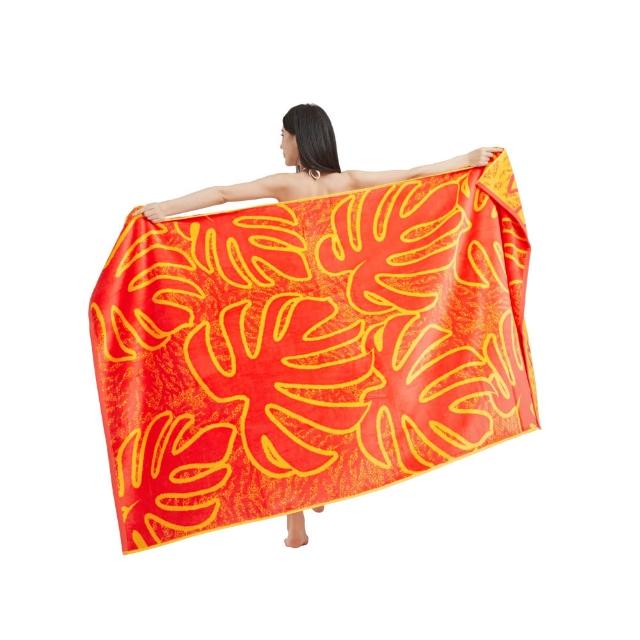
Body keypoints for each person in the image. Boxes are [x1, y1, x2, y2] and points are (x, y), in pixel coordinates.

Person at [139, 103, 502, 548]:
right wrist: (466, 160)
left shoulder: (287, 184)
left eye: (283, 135)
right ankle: (320, 489)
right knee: (331, 410)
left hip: (294, 317)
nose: (280, 144)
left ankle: (297, 521)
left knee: (283, 428)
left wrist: (165, 209)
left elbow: (222, 194)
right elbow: (413, 176)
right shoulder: (347, 182)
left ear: (300, 138)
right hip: (341, 321)